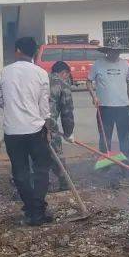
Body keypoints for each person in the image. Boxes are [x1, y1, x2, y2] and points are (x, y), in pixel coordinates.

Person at [0, 36, 52, 226]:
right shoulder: (41, 73)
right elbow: (44, 106)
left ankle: (31, 209)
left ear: (17, 51)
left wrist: (13, 108)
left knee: (20, 173)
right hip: (36, 129)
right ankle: (38, 209)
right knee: (42, 170)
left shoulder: (5, 72)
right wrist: (47, 125)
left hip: (12, 131)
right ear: (34, 52)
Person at [87, 44, 129, 163]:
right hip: (104, 108)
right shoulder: (98, 64)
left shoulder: (125, 64)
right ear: (107, 51)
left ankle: (126, 164)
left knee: (125, 138)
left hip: (123, 107)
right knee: (105, 138)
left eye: (117, 51)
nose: (115, 54)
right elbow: (88, 82)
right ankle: (105, 163)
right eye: (112, 51)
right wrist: (94, 97)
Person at [47, 60, 76, 191]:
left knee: (32, 156)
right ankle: (65, 183)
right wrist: (69, 133)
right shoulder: (62, 84)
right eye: (68, 76)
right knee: (56, 154)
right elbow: (67, 112)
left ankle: (27, 187)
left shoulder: (40, 79)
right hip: (48, 125)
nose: (68, 79)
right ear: (64, 73)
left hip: (28, 125)